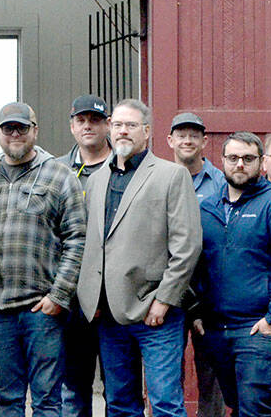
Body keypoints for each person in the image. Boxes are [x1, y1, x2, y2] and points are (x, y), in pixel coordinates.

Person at [75, 99, 201, 417]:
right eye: (117, 125)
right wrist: (93, 298)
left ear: (146, 131)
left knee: (165, 404)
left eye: (131, 125)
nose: (122, 131)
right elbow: (94, 244)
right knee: (119, 403)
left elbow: (187, 247)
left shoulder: (171, 176)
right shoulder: (97, 178)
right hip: (109, 314)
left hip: (154, 311)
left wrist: (164, 301)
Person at [0, 101, 87, 417]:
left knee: (48, 401)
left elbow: (77, 241)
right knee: (8, 401)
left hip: (43, 312)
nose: (15, 134)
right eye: (8, 128)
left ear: (35, 130)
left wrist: (58, 296)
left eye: (21, 127)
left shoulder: (61, 178)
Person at [194, 131, 271, 417]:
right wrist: (195, 310)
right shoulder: (207, 209)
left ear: (261, 163)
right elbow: (195, 263)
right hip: (217, 330)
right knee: (235, 406)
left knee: (256, 410)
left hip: (258, 329)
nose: (240, 164)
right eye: (233, 158)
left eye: (248, 158)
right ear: (222, 162)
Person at [60, 94, 118, 417]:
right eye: (81, 120)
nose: (87, 126)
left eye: (95, 120)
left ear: (107, 124)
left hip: (113, 300)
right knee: (73, 390)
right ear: (71, 126)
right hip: (70, 300)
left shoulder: (127, 169)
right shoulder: (55, 171)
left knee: (119, 389)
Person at [166, 112, 225, 417]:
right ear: (170, 140)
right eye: (181, 134)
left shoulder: (221, 183)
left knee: (211, 377)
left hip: (210, 294)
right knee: (166, 375)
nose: (187, 140)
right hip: (169, 294)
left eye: (194, 135)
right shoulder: (157, 179)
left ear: (204, 141)